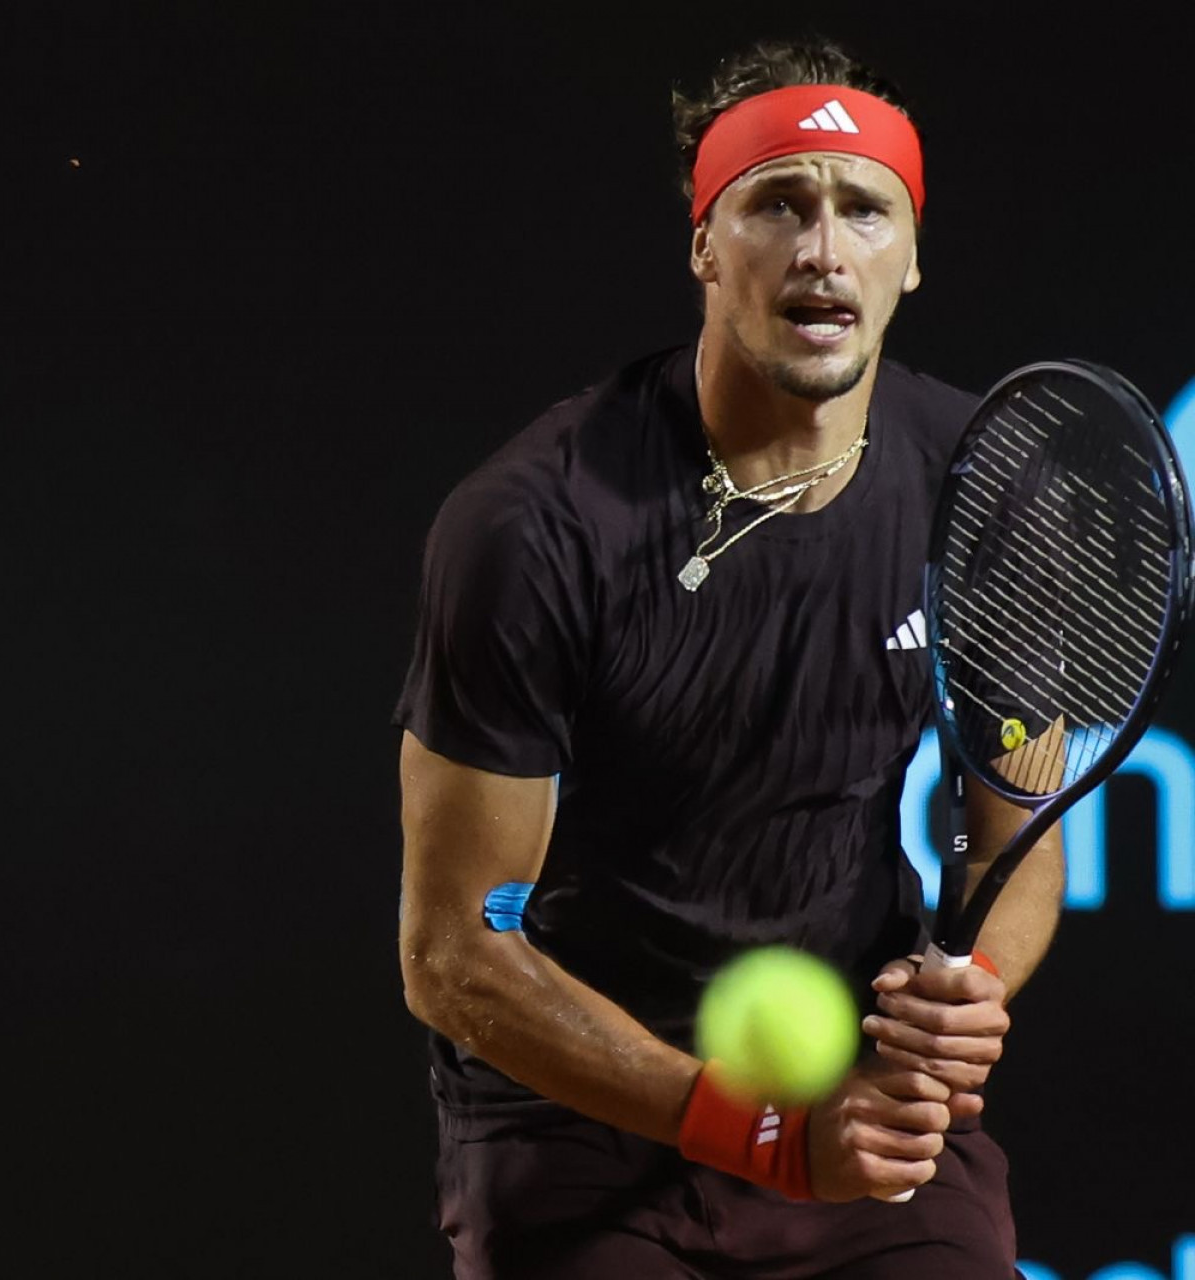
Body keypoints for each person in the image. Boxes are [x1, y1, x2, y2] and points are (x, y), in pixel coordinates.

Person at [393, 36, 1063, 1279]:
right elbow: (454, 952)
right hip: (577, 1116)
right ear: (706, 245)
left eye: (865, 210)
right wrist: (751, 1128)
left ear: (911, 260)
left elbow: (1016, 832)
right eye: (778, 205)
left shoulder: (988, 495)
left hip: (856, 1100)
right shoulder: (532, 526)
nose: (822, 248)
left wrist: (969, 984)